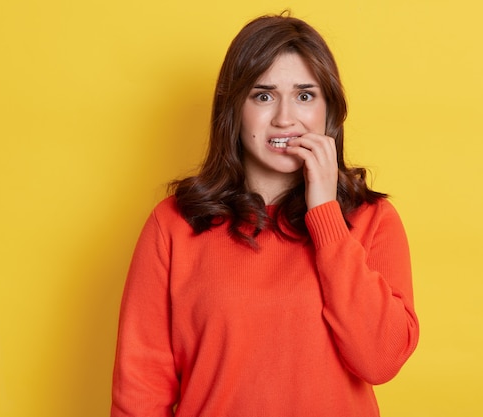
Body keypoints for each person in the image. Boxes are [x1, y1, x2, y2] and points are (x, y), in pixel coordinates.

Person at [111, 12, 419, 417]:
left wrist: (325, 213)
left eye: (304, 96)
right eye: (263, 95)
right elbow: (140, 387)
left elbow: (380, 360)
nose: (285, 118)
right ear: (234, 109)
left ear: (329, 111)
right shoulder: (175, 223)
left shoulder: (372, 220)